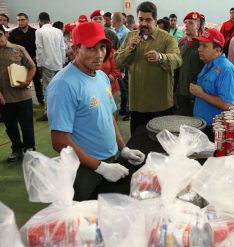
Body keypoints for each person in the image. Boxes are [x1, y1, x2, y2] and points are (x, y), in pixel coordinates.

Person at [47, 22, 145, 201]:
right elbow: (60, 141)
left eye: (102, 48)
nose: (100, 55)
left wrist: (123, 149)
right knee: (86, 218)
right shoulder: (64, 85)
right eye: (91, 48)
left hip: (110, 159)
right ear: (76, 49)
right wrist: (100, 167)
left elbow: (109, 116)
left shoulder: (100, 76)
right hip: (84, 169)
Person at [114, 1, 182, 134]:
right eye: (141, 19)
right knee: (138, 144)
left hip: (161, 105)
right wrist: (129, 48)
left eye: (148, 20)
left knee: (162, 146)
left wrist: (160, 57)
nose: (144, 23)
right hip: (137, 104)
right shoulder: (130, 36)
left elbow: (178, 60)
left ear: (155, 20)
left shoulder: (167, 39)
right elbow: (117, 62)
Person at [190, 28, 234, 141]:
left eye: (204, 46)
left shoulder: (226, 70)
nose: (199, 49)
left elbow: (228, 105)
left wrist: (201, 94)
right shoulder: (208, 64)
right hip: (203, 125)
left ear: (217, 50)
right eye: (199, 45)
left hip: (215, 130)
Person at [0, 24, 36, 162]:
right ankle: (16, 149)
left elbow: (32, 67)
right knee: (10, 127)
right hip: (5, 98)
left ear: (5, 34)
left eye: (0, 35)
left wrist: (27, 81)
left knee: (27, 126)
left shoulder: (18, 49)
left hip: (23, 96)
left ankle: (30, 149)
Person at [35, 12, 66, 121]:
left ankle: (48, 113)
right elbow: (63, 48)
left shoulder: (39, 31)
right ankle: (61, 111)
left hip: (47, 64)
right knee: (60, 89)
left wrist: (39, 64)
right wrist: (62, 62)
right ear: (49, 20)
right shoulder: (58, 31)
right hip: (59, 64)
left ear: (40, 21)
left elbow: (39, 49)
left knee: (48, 89)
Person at [9, 13, 44, 105]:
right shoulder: (14, 33)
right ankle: (23, 100)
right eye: (18, 20)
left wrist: (36, 58)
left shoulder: (35, 32)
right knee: (21, 82)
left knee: (37, 82)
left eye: (22, 20)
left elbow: (39, 48)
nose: (20, 22)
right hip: (20, 63)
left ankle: (41, 100)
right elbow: (11, 47)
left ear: (27, 20)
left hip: (33, 61)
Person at [175, 11, 204, 116]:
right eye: (185, 22)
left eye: (190, 22)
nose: (186, 25)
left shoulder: (203, 43)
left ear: (198, 25)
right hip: (181, 90)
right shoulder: (181, 43)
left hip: (197, 91)